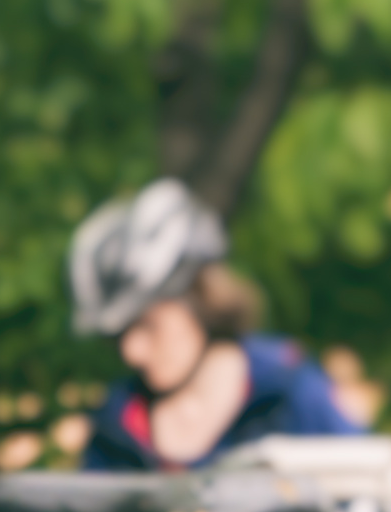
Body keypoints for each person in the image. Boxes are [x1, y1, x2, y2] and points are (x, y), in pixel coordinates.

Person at [65, 181, 358, 470]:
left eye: (148, 324)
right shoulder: (115, 429)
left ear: (200, 297)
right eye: (117, 336)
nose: (132, 352)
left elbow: (372, 497)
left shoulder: (290, 393)